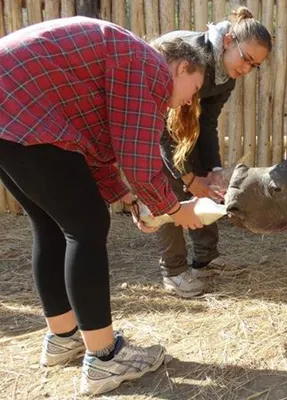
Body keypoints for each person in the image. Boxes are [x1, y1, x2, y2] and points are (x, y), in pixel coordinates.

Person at [0, 16, 208, 395]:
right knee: (87, 226)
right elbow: (137, 162)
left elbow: (98, 151)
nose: (190, 100)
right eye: (194, 88)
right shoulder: (149, 67)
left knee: (51, 224)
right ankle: (105, 359)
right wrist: (177, 211)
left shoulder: (126, 61)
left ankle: (64, 337)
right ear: (181, 67)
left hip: (12, 109)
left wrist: (128, 197)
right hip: (23, 106)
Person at [151, 7, 272, 298]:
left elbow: (206, 123)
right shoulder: (192, 56)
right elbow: (165, 131)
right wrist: (188, 178)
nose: (246, 69)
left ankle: (205, 259)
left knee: (208, 184)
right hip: (157, 123)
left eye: (254, 66)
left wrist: (213, 171)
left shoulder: (227, 74)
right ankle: (174, 271)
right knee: (172, 189)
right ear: (229, 40)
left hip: (185, 127)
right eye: (246, 59)